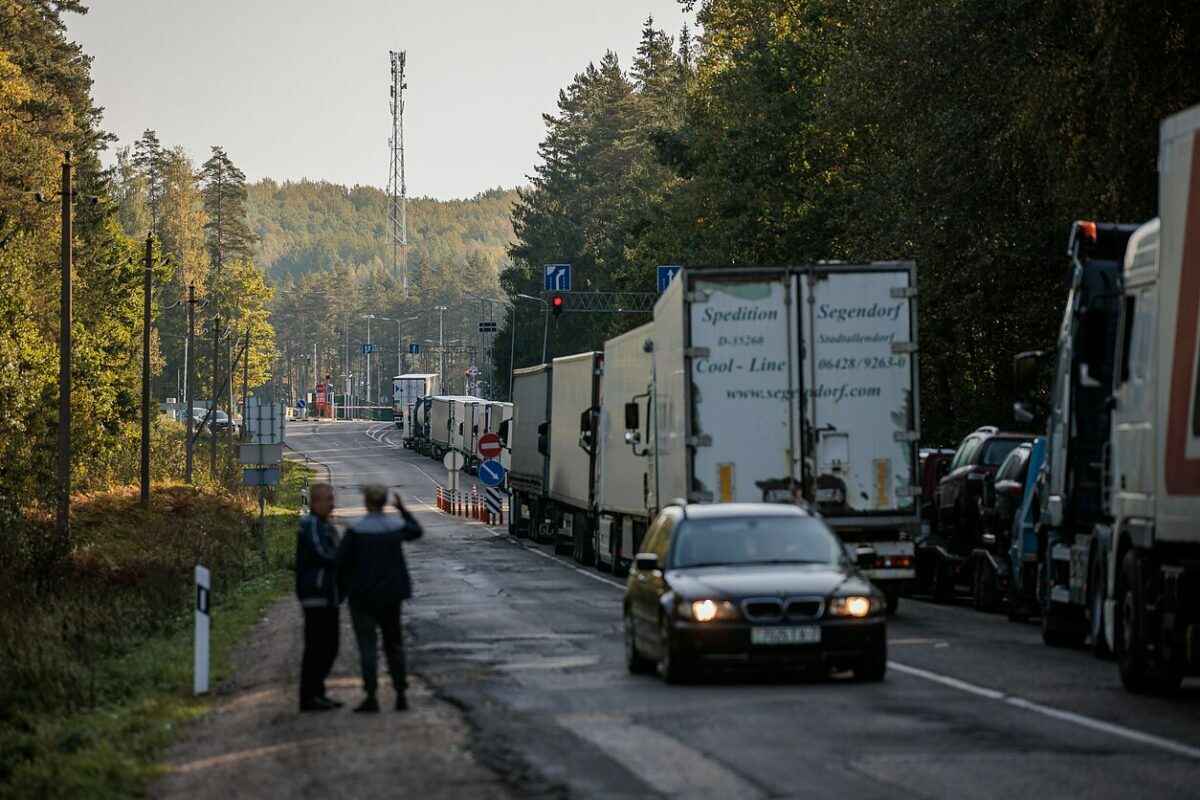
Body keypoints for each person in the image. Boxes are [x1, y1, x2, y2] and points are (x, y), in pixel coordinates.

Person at [337, 484, 423, 712]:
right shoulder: (393, 527)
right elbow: (416, 531)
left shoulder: (356, 530)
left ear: (366, 502)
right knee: (394, 644)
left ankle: (371, 696)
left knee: (367, 646)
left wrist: (342, 591)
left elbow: (341, 563)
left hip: (362, 597)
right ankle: (401, 693)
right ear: (385, 502)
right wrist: (403, 510)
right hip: (391, 597)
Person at [295, 482, 342, 712]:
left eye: (332, 498)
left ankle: (318, 692)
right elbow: (321, 552)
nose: (332, 503)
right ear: (315, 502)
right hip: (315, 593)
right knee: (316, 647)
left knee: (330, 646)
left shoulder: (326, 524)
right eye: (327, 499)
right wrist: (343, 559)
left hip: (329, 594)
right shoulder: (311, 524)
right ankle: (308, 696)